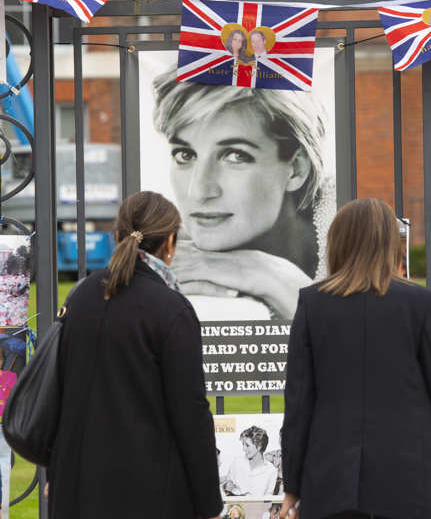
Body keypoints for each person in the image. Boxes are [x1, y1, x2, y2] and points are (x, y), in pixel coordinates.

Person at [280, 199, 431, 519]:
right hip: (410, 480)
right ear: (391, 244)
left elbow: (299, 402)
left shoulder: (313, 304)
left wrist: (292, 485)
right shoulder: (420, 304)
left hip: (331, 481)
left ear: (337, 242)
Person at [48, 191, 223, 519]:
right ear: (170, 242)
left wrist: (54, 467)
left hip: (76, 486)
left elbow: (59, 389)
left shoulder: (81, 295)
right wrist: (210, 503)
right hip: (149, 491)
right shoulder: (171, 309)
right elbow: (190, 412)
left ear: (117, 235)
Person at [152, 73, 335, 322]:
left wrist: (273, 278)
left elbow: (356, 348)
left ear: (297, 168)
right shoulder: (168, 262)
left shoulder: (349, 235)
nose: (199, 191)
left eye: (236, 156)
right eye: (185, 155)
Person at [221, 426, 278, 497]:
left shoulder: (271, 471)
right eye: (243, 444)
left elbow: (268, 501)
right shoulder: (237, 463)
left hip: (258, 508)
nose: (244, 449)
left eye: (247, 445)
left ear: (259, 446)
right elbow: (226, 487)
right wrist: (226, 486)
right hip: (235, 506)